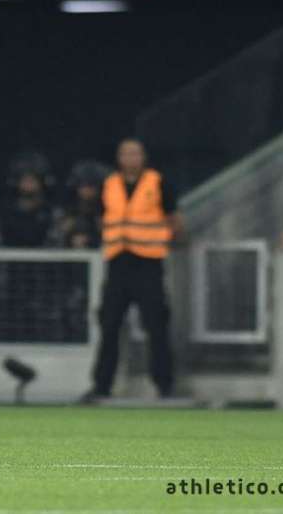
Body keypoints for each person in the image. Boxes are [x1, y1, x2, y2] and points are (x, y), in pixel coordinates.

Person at [83, 139, 181, 403]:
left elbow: (174, 218)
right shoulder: (110, 184)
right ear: (118, 157)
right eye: (125, 153)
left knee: (157, 325)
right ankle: (101, 385)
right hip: (118, 264)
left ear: (143, 156)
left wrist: (172, 240)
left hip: (148, 263)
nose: (130, 158)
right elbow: (101, 219)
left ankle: (165, 385)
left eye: (135, 153)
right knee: (110, 324)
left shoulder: (157, 182)